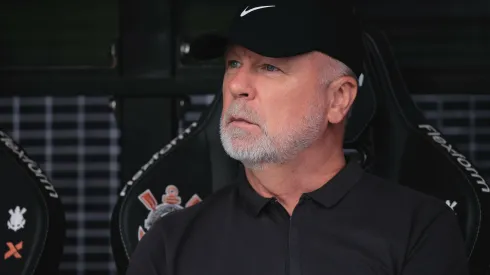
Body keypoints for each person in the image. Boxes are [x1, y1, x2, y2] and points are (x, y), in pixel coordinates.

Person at [126, 0, 469, 274]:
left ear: (338, 98)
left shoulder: (419, 229)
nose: (236, 86)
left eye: (269, 66)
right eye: (233, 64)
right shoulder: (170, 245)